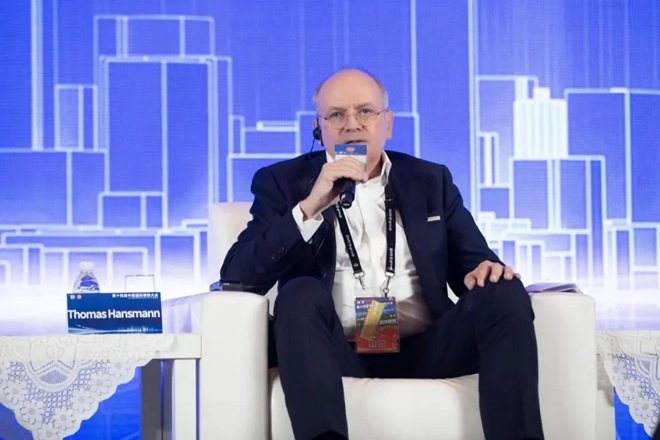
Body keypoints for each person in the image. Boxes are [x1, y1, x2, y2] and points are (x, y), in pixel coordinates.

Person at [221, 68, 544, 440]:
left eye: (365, 111)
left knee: (504, 292)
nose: (352, 124)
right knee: (299, 293)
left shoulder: (430, 180)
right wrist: (309, 208)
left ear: (387, 123)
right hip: (332, 352)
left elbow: (474, 263)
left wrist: (486, 271)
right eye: (336, 115)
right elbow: (238, 276)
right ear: (318, 129)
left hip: (429, 348)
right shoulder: (282, 183)